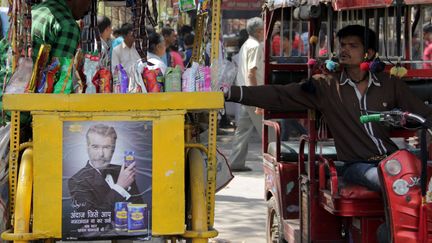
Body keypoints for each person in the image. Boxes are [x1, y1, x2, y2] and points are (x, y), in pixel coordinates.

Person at [225, 24, 432, 187]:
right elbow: (280, 94)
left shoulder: (389, 84)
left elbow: (423, 114)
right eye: (342, 45)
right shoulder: (326, 84)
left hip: (392, 159)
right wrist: (232, 92)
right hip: (357, 165)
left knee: (419, 179)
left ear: (368, 53)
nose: (344, 50)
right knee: (390, 181)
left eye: (352, 46)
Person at [68, 124, 143, 214]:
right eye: (95, 147)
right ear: (87, 148)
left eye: (107, 147)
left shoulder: (124, 172)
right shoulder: (76, 181)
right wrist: (120, 187)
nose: (101, 154)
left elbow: (140, 209)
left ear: (113, 149)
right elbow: (91, 217)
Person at [228, 17, 265, 172]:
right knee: (268, 131)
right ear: (258, 31)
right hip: (252, 95)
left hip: (245, 94)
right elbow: (251, 73)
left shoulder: (246, 45)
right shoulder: (255, 46)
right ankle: (275, 163)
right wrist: (257, 100)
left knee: (242, 131)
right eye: (263, 30)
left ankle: (236, 162)